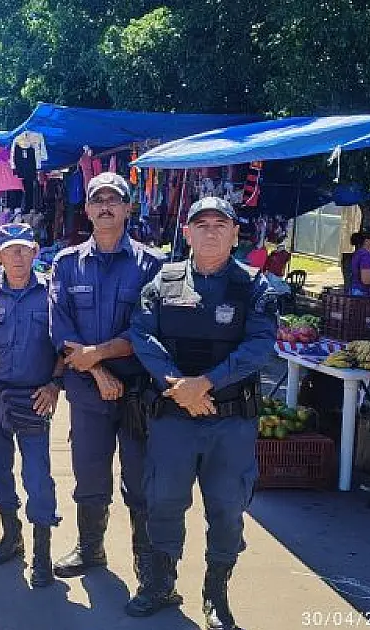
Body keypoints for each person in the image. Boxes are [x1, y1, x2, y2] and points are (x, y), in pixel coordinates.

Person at [126, 196, 279, 630]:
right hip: (174, 417)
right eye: (202, 224)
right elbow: (142, 335)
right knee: (163, 501)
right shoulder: (163, 281)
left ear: (235, 234)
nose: (211, 232)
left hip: (230, 422)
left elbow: (259, 346)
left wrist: (205, 383)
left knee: (228, 507)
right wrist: (180, 386)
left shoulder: (255, 287)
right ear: (187, 233)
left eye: (220, 224)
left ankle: (216, 593)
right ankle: (161, 584)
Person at [48, 172, 164, 585]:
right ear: (87, 209)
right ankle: (90, 547)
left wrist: (98, 353)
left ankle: (145, 559)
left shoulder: (153, 265)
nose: (106, 207)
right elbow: (59, 327)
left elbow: (149, 330)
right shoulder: (66, 263)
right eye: (98, 200)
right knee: (90, 474)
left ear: (129, 208)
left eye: (115, 200)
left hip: (138, 393)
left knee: (141, 479)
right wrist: (96, 370)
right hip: (87, 391)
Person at [0, 223, 63, 587]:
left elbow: (66, 345)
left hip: (34, 397)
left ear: (35, 252)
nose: (17, 257)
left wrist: (55, 385)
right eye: (9, 250)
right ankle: (11, 533)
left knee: (37, 476)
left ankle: (42, 551)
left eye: (24, 249)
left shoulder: (52, 293)